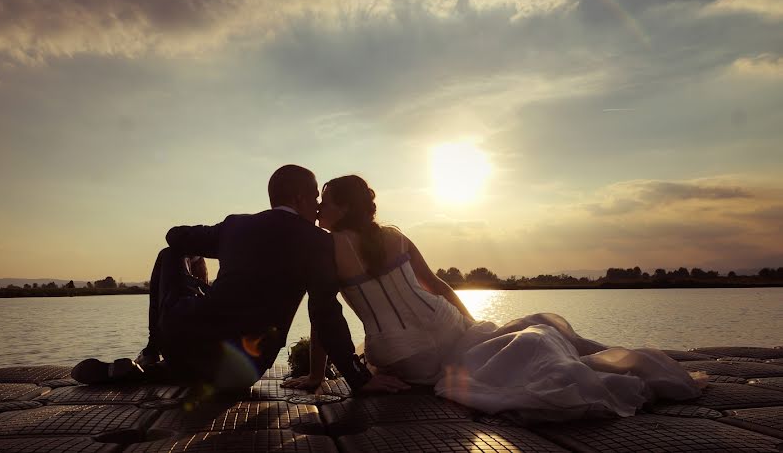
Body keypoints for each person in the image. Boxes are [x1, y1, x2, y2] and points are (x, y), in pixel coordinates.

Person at [282, 175, 703, 422]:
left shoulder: (325, 248)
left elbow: (322, 315)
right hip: (446, 326)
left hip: (401, 356)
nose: (318, 209)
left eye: (324, 202)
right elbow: (439, 289)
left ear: (341, 208)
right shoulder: (395, 236)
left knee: (528, 348)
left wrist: (319, 376)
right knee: (536, 339)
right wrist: (470, 329)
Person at [72, 165, 409, 395]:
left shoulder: (236, 226)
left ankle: (152, 353)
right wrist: (358, 378)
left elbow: (174, 235)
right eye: (316, 200)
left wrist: (198, 257)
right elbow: (325, 312)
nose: (319, 208)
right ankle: (159, 365)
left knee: (169, 253)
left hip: (184, 342)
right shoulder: (318, 241)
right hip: (246, 367)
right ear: (300, 199)